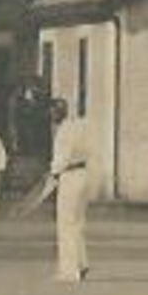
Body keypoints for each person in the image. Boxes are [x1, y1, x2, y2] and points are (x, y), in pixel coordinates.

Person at [48, 98, 91, 283]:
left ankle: (69, 271)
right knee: (77, 222)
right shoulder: (77, 127)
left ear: (58, 112)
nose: (51, 115)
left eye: (52, 111)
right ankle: (81, 264)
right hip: (82, 174)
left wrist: (53, 173)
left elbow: (61, 159)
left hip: (70, 176)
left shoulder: (64, 132)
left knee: (65, 224)